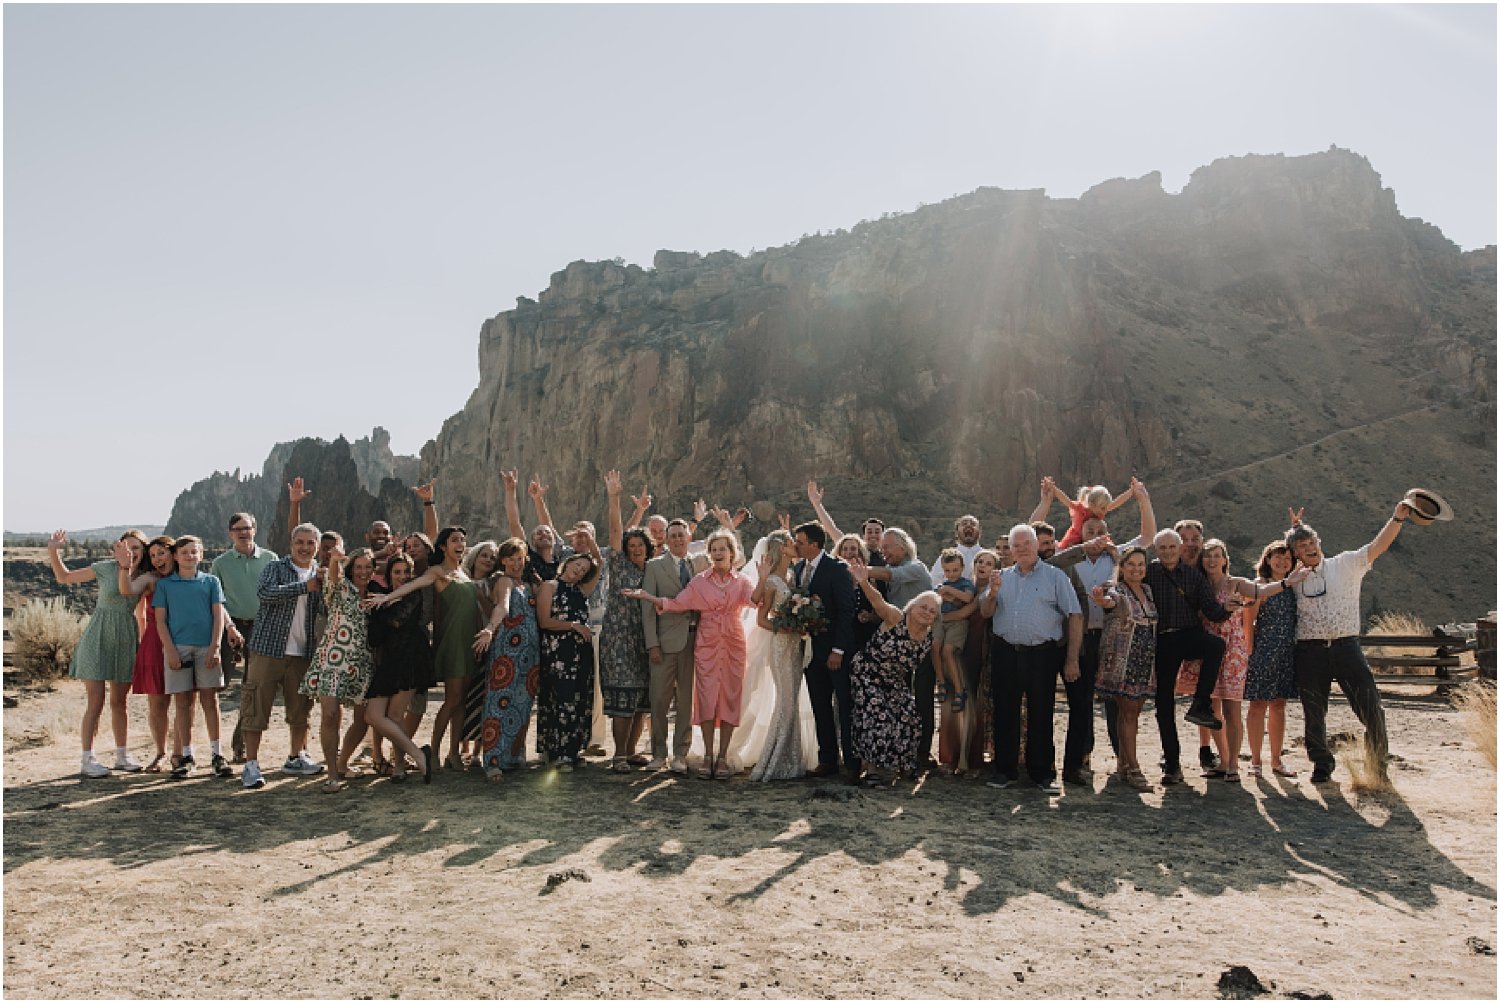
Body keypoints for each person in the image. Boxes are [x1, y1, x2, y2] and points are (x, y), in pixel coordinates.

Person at [1287, 503, 1413, 784]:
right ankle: (1321, 764)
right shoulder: (1292, 578)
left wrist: (1397, 518)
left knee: (1371, 707)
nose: (1309, 548)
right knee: (1313, 712)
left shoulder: (1345, 564)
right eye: (1302, 546)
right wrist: (1294, 530)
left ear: (1319, 543)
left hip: (1346, 647)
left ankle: (1377, 766)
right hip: (1309, 651)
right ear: (1295, 553)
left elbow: (1378, 546)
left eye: (1311, 542)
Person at [1046, 477, 1156, 784]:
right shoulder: (1069, 558)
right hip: (1080, 640)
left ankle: (1123, 760)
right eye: (1089, 531)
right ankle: (1080, 759)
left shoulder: (1117, 555)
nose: (1095, 536)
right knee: (1081, 701)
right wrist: (1047, 500)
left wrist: (1142, 499)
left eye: (1100, 531)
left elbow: (1147, 537)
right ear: (1080, 533)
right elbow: (1040, 548)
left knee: (1114, 701)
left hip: (1112, 639)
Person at [625, 528, 757, 779]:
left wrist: (767, 579)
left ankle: (721, 757)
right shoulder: (699, 581)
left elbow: (757, 601)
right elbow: (677, 603)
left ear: (732, 553)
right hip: (706, 644)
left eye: (722, 549)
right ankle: (706, 756)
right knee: (705, 699)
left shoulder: (742, 581)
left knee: (729, 698)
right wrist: (649, 597)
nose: (718, 553)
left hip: (733, 644)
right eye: (714, 549)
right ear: (708, 554)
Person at [364, 526, 480, 772]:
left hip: (469, 641)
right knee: (452, 700)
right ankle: (433, 753)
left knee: (461, 702)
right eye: (454, 540)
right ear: (443, 546)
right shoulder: (437, 571)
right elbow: (414, 585)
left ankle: (454, 754)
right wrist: (387, 598)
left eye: (462, 539)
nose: (460, 543)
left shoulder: (464, 572)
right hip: (450, 641)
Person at [980, 524, 1083, 794]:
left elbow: (1075, 615)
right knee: (1005, 712)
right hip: (1006, 652)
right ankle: (1005, 770)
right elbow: (986, 612)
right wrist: (992, 593)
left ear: (1036, 545)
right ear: (1010, 550)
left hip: (1042, 654)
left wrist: (1072, 659)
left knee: (1041, 712)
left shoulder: (1055, 577)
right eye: (1016, 545)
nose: (1022, 549)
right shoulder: (1001, 577)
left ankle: (1042, 774)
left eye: (1026, 543)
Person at [47, 529, 149, 778]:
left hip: (125, 639)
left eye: (136, 548)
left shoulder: (145, 576)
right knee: (96, 701)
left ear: (143, 551)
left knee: (120, 703)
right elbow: (64, 577)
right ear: (117, 549)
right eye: (127, 547)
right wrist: (53, 551)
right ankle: (87, 759)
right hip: (98, 636)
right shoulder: (104, 568)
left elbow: (141, 613)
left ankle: (122, 756)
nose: (131, 552)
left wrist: (143, 645)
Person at [241, 523, 328, 789]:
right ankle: (251, 764)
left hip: (302, 653)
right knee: (256, 706)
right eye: (299, 542)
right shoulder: (276, 568)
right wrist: (304, 587)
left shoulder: (322, 574)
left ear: (317, 547)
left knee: (301, 709)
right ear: (291, 545)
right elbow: (265, 593)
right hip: (268, 649)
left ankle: (296, 756)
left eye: (310, 543)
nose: (304, 548)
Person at [1143, 528, 1232, 785]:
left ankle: (1200, 703)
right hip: (1163, 640)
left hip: (1190, 633)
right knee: (1163, 702)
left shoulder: (1194, 576)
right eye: (1163, 548)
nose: (1168, 552)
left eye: (1172, 547)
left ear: (1180, 548)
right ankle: (1172, 765)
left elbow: (1212, 611)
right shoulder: (1149, 572)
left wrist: (1227, 608)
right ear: (1156, 551)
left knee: (1215, 645)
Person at [847, 561, 941, 787]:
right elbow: (878, 602)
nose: (926, 612)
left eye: (932, 611)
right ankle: (873, 769)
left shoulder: (928, 637)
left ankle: (903, 763)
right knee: (877, 714)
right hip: (867, 672)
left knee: (910, 715)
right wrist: (863, 581)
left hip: (893, 680)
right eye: (923, 607)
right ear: (912, 606)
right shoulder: (896, 618)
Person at [151, 535, 234, 781]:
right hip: (179, 648)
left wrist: (215, 647)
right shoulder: (166, 586)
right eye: (185, 552)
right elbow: (160, 621)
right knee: (183, 703)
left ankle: (217, 754)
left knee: (210, 700)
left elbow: (218, 616)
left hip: (206, 647)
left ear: (201, 554)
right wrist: (170, 650)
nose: (190, 556)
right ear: (176, 556)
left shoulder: (211, 582)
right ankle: (186, 757)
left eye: (194, 552)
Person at [299, 547, 380, 791]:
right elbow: (333, 578)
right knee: (330, 715)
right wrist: (335, 559)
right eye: (358, 567)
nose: (363, 572)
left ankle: (343, 762)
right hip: (332, 661)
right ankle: (332, 774)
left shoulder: (376, 595)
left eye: (368, 567)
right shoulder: (341, 588)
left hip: (362, 663)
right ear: (351, 569)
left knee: (363, 719)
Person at [862, 528, 936, 769]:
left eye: (887, 547)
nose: (883, 551)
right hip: (897, 647)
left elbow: (889, 575)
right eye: (882, 548)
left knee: (922, 698)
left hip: (921, 644)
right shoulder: (892, 569)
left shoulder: (916, 568)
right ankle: (898, 752)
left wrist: (861, 571)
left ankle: (922, 753)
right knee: (899, 700)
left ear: (902, 547)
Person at [641, 518, 710, 773]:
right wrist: (652, 644)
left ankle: (680, 754)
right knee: (659, 699)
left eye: (682, 535)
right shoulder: (654, 566)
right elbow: (647, 609)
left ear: (689, 537)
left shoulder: (700, 564)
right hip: (665, 642)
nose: (678, 539)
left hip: (695, 641)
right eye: (673, 536)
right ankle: (659, 753)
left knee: (685, 701)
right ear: (666, 540)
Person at [791, 522, 858, 780]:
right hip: (811, 652)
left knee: (845, 707)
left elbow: (846, 611)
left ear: (814, 544)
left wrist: (838, 650)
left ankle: (852, 763)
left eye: (800, 542)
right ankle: (827, 759)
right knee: (820, 706)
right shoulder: (799, 569)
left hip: (836, 652)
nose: (796, 546)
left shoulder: (837, 568)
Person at [598, 470, 654, 772]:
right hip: (619, 641)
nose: (635, 549)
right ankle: (619, 754)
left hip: (645, 640)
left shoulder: (653, 570)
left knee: (641, 699)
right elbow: (616, 532)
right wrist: (614, 498)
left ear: (648, 547)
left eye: (639, 545)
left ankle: (631, 751)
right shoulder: (620, 566)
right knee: (623, 696)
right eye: (630, 546)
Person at [1089, 546, 1158, 791]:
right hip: (1123, 661)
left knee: (1130, 714)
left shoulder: (1147, 590)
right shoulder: (1117, 590)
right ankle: (1135, 768)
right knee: (1128, 713)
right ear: (1123, 567)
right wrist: (1101, 600)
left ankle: (1123, 764)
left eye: (1141, 564)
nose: (1136, 569)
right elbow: (1109, 602)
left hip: (1144, 661)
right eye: (1131, 564)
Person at [209, 512, 277, 762]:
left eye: (247, 528)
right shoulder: (221, 563)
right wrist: (229, 627)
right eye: (237, 529)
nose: (243, 533)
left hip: (262, 628)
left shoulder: (270, 559)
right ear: (230, 533)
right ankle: (212, 746)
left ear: (254, 530)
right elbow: (216, 600)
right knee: (217, 685)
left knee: (252, 687)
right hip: (230, 627)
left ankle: (241, 744)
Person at [364, 553, 435, 782]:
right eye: (397, 572)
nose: (402, 576)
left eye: (406, 572)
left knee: (395, 714)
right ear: (389, 574)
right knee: (373, 715)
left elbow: (397, 620)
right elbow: (375, 637)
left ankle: (400, 766)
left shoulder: (413, 595)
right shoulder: (381, 597)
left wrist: (384, 603)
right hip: (389, 661)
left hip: (411, 658)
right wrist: (382, 603)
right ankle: (418, 754)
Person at [475, 538, 541, 781]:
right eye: (511, 559)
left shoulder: (529, 584)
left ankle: (512, 756)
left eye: (519, 558)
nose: (516, 563)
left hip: (530, 655)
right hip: (507, 653)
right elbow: (502, 607)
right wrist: (490, 629)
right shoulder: (504, 581)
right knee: (498, 704)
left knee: (522, 705)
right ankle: (492, 761)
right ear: (503, 561)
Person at [746, 529, 805, 782]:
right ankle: (772, 760)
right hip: (780, 645)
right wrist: (785, 629)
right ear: (782, 548)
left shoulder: (791, 576)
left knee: (793, 700)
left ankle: (791, 761)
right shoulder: (771, 581)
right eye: (792, 542)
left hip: (796, 644)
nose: (796, 545)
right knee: (785, 701)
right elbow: (761, 619)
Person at [536, 549, 602, 771]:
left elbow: (599, 563)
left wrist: (591, 544)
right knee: (561, 698)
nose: (579, 570)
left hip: (581, 652)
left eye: (583, 570)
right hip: (558, 652)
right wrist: (573, 626)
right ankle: (558, 752)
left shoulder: (580, 591)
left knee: (580, 698)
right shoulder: (550, 586)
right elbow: (544, 621)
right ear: (567, 563)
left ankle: (573, 751)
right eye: (577, 565)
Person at [1244, 540, 1301, 780]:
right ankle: (1255, 761)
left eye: (1287, 558)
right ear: (1267, 559)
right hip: (1262, 652)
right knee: (1257, 705)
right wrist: (1250, 652)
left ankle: (1276, 761)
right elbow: (1248, 621)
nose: (1282, 562)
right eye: (1277, 557)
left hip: (1286, 653)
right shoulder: (1260, 586)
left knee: (1279, 705)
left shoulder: (1293, 587)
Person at [120, 535, 177, 772]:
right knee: (157, 702)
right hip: (155, 641)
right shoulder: (151, 579)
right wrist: (125, 566)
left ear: (173, 553)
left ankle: (181, 753)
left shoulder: (187, 576)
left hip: (184, 638)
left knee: (185, 700)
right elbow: (127, 590)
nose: (156, 559)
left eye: (161, 553)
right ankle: (161, 753)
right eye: (152, 555)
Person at [942, 548, 999, 775]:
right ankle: (953, 757)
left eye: (989, 563)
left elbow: (961, 614)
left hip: (980, 650)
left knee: (974, 704)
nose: (983, 566)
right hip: (960, 647)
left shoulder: (987, 592)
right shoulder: (965, 586)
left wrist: (937, 617)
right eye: (980, 562)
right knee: (955, 702)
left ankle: (970, 760)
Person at [1031, 475, 1138, 550]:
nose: (1105, 510)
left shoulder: (1101, 510)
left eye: (1106, 507)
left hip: (1094, 538)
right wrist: (1054, 489)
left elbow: (1117, 502)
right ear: (1092, 504)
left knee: (1110, 547)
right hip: (1076, 537)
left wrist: (1131, 492)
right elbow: (1066, 500)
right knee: (1068, 550)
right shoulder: (1080, 509)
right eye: (1103, 508)